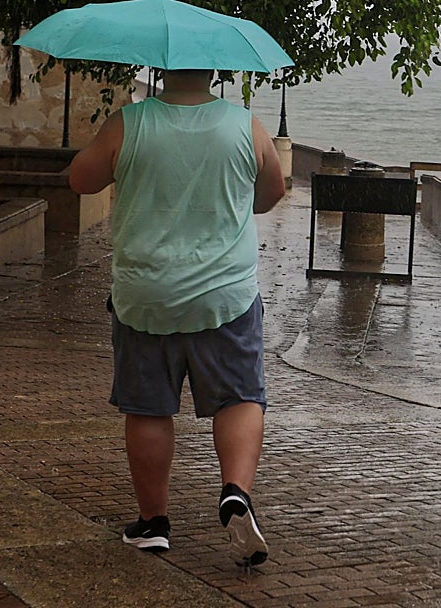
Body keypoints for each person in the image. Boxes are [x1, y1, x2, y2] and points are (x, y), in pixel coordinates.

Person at [68, 68, 286, 566]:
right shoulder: (245, 126)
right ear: (214, 71)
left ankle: (153, 524)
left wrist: (112, 148)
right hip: (225, 297)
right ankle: (235, 491)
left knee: (148, 408)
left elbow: (80, 179)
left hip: (146, 296)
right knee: (239, 398)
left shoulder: (129, 123)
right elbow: (271, 193)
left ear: (162, 70)